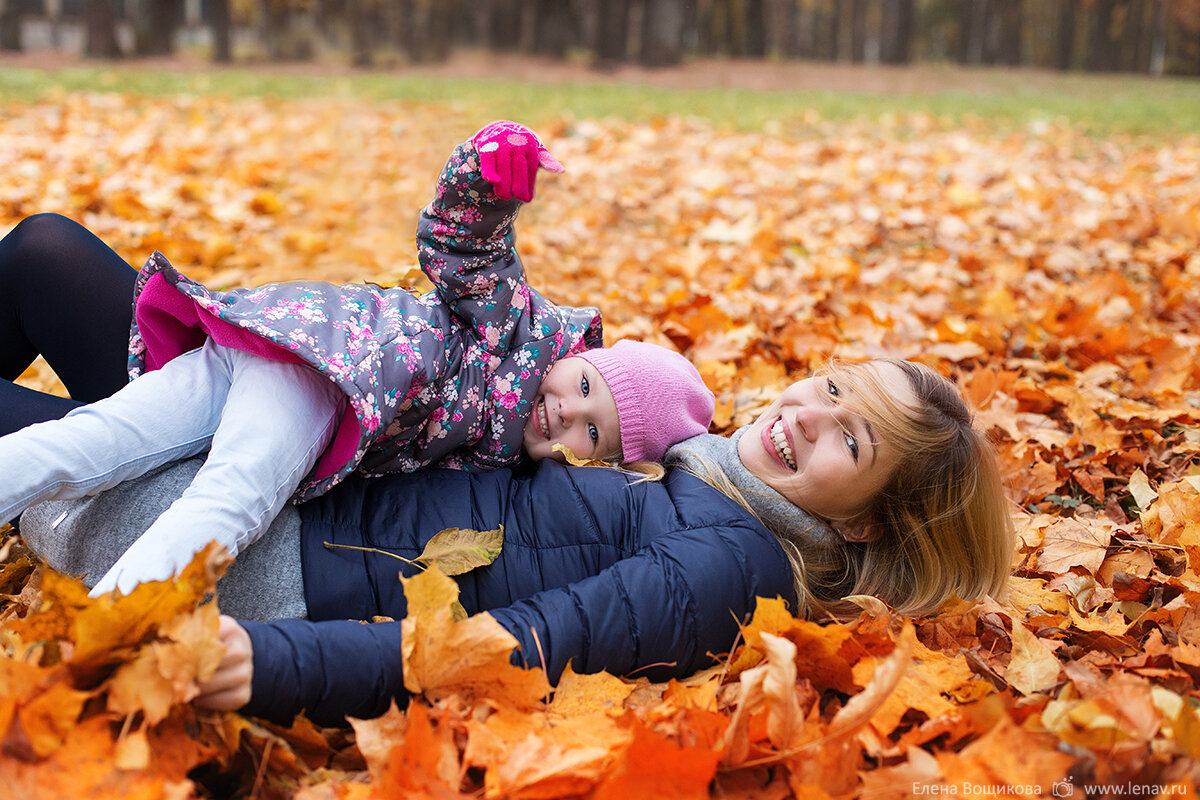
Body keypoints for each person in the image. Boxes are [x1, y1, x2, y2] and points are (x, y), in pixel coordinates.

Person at [14, 355, 1013, 727]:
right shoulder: (701, 473)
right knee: (52, 258)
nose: (807, 414)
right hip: (312, 489)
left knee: (39, 437)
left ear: (866, 516)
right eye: (831, 388)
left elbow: (529, 643)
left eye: (852, 436)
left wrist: (277, 659)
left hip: (279, 565)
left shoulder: (731, 564)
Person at [0, 121, 715, 598]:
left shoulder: (511, 464)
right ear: (580, 351)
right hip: (322, 378)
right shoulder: (515, 325)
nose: (566, 412)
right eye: (585, 386)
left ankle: (105, 621)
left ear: (606, 469)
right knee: (227, 499)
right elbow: (463, 243)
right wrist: (487, 175)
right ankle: (112, 628)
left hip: (268, 348)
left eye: (592, 431)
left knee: (94, 443)